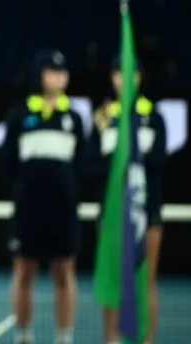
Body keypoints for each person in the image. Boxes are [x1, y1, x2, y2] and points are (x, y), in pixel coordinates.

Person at [3, 49, 91, 344]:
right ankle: (23, 336)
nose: (57, 77)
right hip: (29, 208)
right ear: (40, 76)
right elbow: (8, 164)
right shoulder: (20, 115)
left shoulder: (75, 118)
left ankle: (63, 337)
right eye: (51, 72)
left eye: (62, 72)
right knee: (23, 271)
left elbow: (81, 165)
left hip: (63, 209)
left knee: (64, 273)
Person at [93, 54, 167, 344]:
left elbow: (160, 162)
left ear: (140, 77)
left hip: (146, 209)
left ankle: (145, 341)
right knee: (113, 279)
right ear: (112, 78)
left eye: (131, 73)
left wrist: (130, 159)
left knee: (146, 281)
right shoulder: (102, 117)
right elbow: (90, 165)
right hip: (112, 210)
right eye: (119, 73)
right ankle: (112, 340)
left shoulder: (155, 116)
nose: (125, 79)